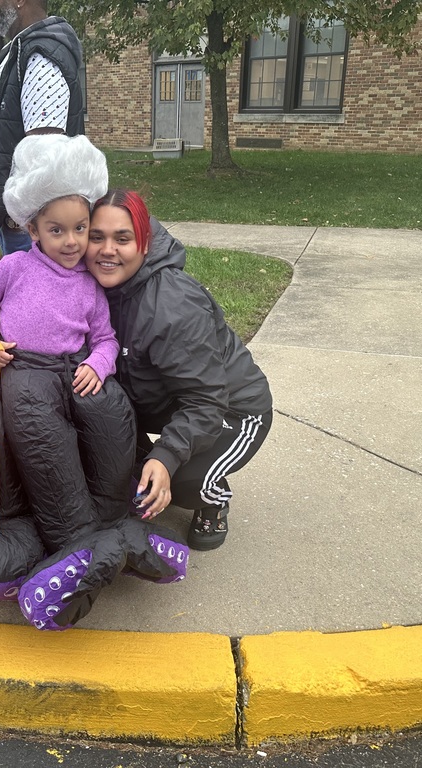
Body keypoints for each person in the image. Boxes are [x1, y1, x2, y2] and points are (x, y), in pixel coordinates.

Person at [0, 134, 135, 551]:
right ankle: (68, 534)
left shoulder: (90, 284)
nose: (72, 242)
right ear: (32, 229)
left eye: (80, 229)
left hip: (76, 370)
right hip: (25, 371)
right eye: (57, 230)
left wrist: (99, 363)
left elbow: (106, 338)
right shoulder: (15, 266)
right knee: (42, 439)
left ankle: (112, 512)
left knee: (112, 414)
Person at [86, 190, 273, 551]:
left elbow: (206, 400)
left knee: (187, 484)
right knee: (130, 478)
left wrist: (166, 456)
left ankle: (212, 498)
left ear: (144, 243)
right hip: (163, 400)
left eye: (122, 238)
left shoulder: (172, 305)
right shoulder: (92, 286)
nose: (107, 250)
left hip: (232, 409)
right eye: (97, 237)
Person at [0, 0, 83, 255]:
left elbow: (45, 159)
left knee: (34, 293)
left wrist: (20, 219)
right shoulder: (18, 51)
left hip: (26, 229)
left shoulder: (41, 58)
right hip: (12, 219)